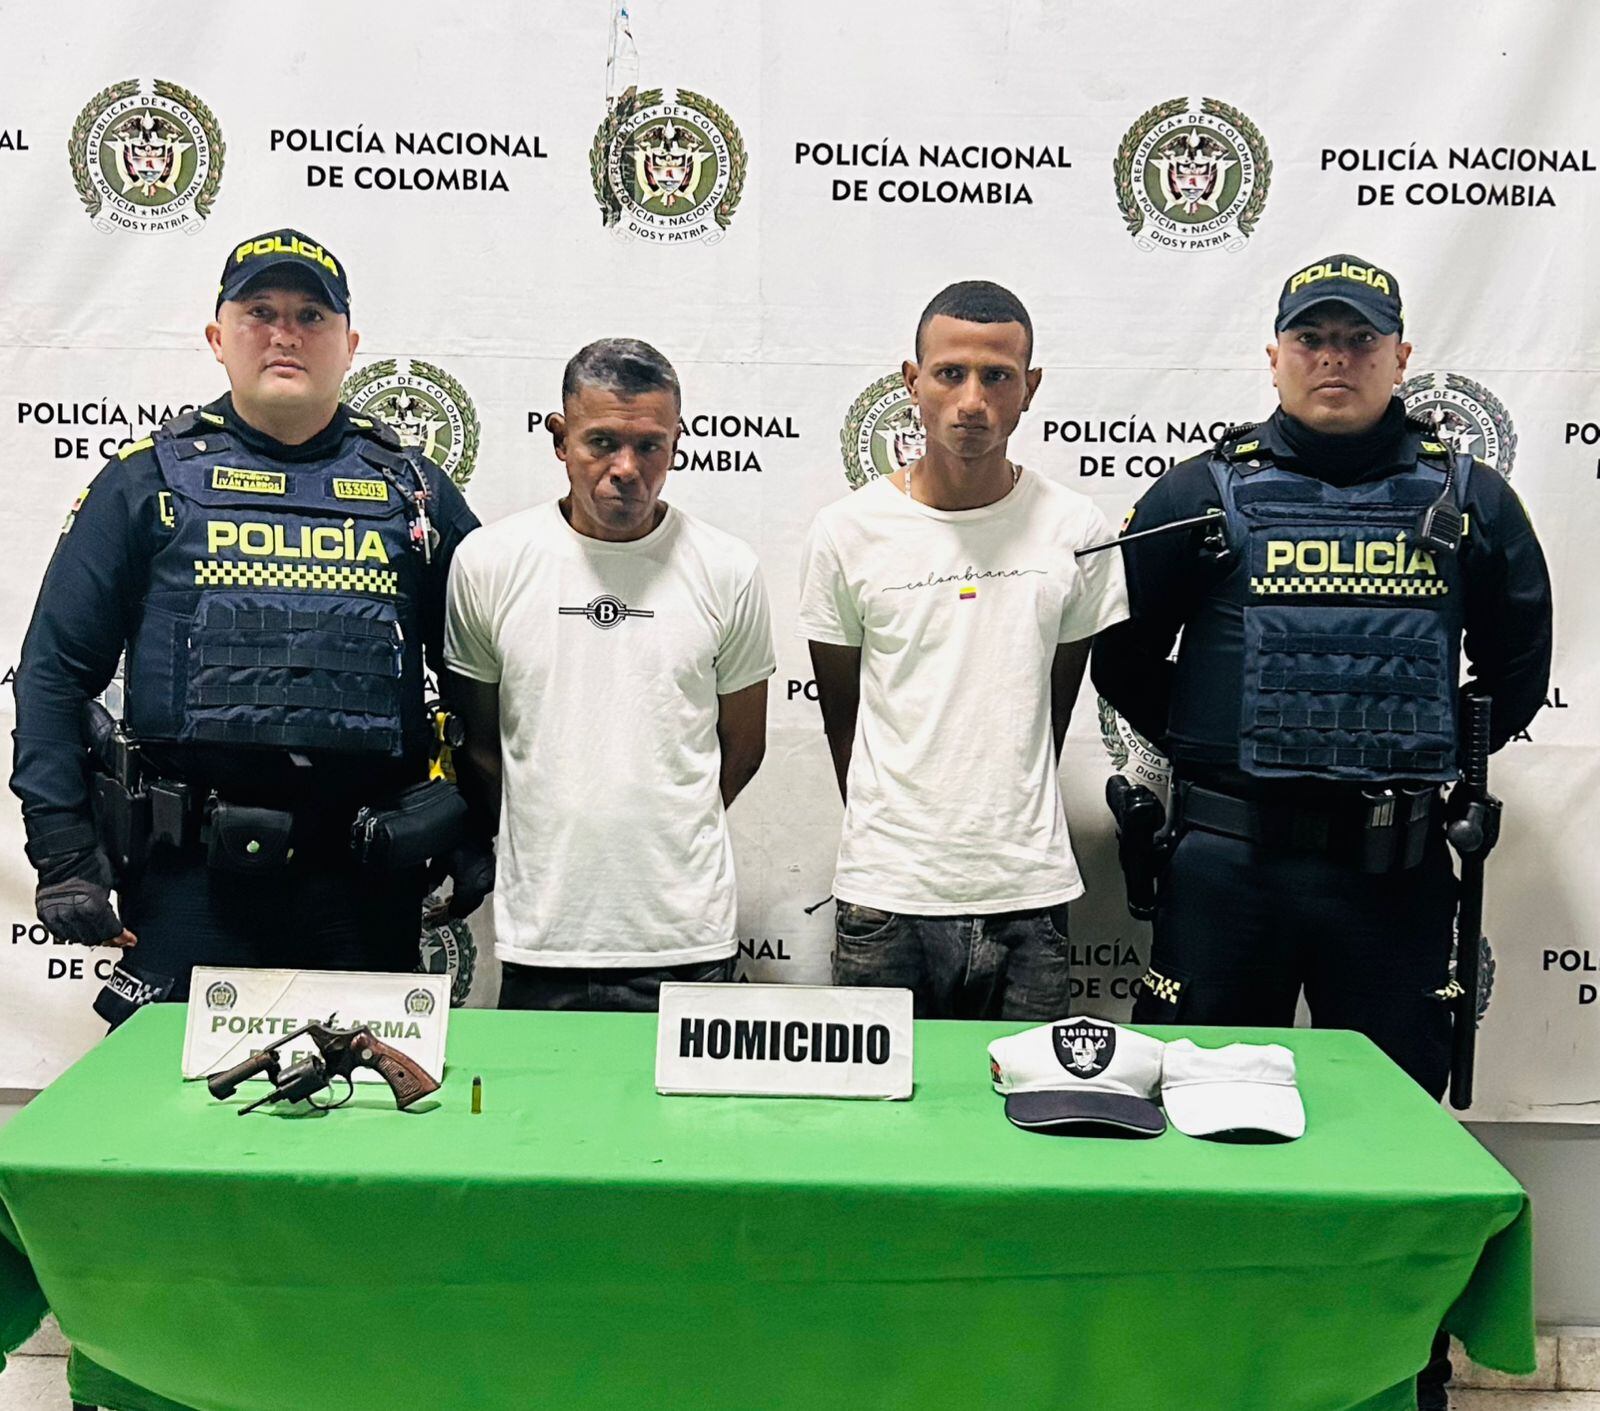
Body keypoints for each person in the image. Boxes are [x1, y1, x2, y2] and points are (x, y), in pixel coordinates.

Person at [1091, 254, 1553, 1410]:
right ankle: (1198, 1358)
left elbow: (1514, 672)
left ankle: (1397, 1368)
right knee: (1192, 1119)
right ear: (1274, 355)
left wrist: (1400, 764)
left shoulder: (1469, 499)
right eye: (1312, 338)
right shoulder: (1199, 494)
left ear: (1400, 357)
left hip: (1389, 875)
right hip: (1226, 867)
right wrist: (1229, 766)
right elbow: (1126, 660)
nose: (1333, 358)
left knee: (1393, 1137)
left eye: (1357, 341)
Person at [10, 228, 484, 1013]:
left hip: (365, 882)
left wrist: (475, 825)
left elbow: (480, 683)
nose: (285, 333)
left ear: (349, 343)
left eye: (310, 316)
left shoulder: (416, 494)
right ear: (217, 338)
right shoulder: (144, 483)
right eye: (259, 310)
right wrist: (63, 849)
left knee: (366, 1122)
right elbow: (54, 675)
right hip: (190, 883)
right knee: (166, 1126)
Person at [798, 281, 1129, 1019]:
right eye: (950, 373)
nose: (972, 400)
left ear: (1029, 388)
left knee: (1029, 1124)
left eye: (997, 376)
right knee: (881, 1131)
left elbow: (1055, 701)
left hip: (1030, 893)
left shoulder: (1076, 528)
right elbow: (841, 716)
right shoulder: (847, 532)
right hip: (886, 898)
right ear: (911, 382)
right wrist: (903, 830)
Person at [445, 338, 773, 1012]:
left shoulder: (727, 567)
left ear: (678, 441)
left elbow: (744, 745)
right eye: (601, 442)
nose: (627, 468)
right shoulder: (489, 562)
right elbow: (480, 747)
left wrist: (667, 829)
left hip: (686, 939)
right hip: (545, 937)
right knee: (538, 1123)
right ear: (560, 439)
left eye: (650, 445)